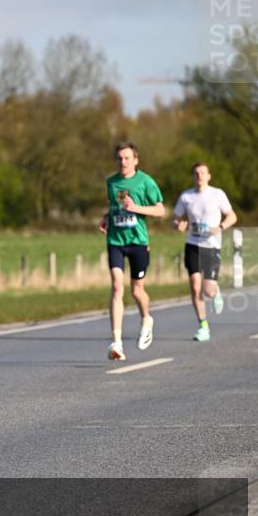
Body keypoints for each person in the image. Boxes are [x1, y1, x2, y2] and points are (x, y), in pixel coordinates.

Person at [98, 142, 165, 361]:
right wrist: (107, 219)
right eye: (119, 158)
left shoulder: (145, 181)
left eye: (127, 158)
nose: (123, 162)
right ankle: (116, 342)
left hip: (138, 241)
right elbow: (115, 207)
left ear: (135, 160)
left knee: (137, 291)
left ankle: (146, 319)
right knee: (117, 287)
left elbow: (160, 210)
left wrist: (136, 208)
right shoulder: (112, 182)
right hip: (116, 240)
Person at [172, 162, 237, 341]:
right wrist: (179, 225)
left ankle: (215, 291)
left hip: (212, 245)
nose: (199, 176)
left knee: (207, 291)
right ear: (193, 177)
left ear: (209, 176)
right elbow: (175, 220)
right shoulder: (186, 196)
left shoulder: (217, 194)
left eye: (202, 173)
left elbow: (232, 216)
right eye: (196, 173)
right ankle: (203, 326)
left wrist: (221, 227)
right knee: (194, 286)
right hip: (193, 244)